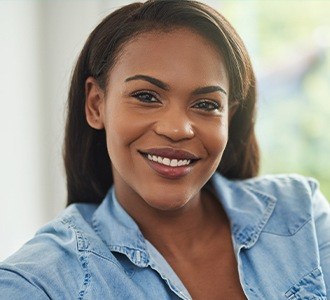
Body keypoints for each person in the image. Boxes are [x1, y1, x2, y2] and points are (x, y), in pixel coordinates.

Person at [1, 0, 329, 299]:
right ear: (96, 104)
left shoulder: (300, 215)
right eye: (146, 96)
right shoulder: (38, 282)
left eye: (205, 104)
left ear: (228, 117)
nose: (177, 129)